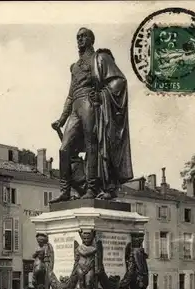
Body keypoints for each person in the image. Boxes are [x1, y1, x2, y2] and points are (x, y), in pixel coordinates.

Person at [50, 27, 133, 203]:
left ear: (91, 40)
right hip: (76, 106)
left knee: (91, 145)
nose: (79, 39)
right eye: (77, 37)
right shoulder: (75, 67)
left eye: (83, 36)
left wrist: (102, 94)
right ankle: (65, 191)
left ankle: (91, 188)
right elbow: (71, 95)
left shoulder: (100, 58)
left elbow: (119, 81)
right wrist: (62, 119)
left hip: (90, 103)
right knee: (64, 149)